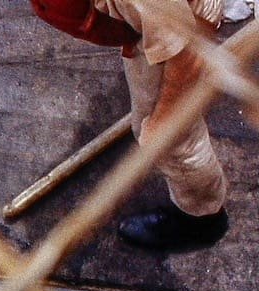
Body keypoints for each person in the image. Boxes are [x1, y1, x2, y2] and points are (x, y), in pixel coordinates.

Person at [29, 0, 228, 251]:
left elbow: (187, 51)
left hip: (184, 37)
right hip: (160, 19)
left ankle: (201, 219)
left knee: (174, 144)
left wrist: (163, 119)